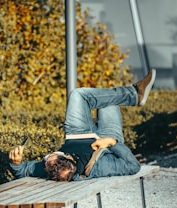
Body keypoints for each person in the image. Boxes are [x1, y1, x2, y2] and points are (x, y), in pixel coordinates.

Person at [9, 69, 156, 182]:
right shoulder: (101, 167)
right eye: (51, 156)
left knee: (78, 95)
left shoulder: (50, 166)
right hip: (107, 138)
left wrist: (16, 163)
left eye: (51, 156)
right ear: (68, 158)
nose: (49, 156)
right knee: (108, 101)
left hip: (77, 133)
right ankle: (134, 94)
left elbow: (23, 170)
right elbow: (133, 167)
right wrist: (112, 142)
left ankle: (135, 94)